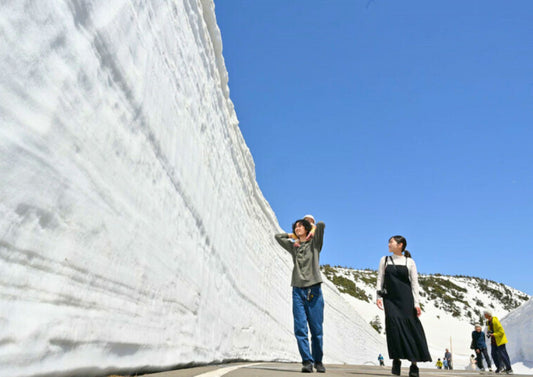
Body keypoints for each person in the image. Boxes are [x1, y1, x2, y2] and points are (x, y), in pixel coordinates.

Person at [275, 218, 326, 373]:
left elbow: (321, 225)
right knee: (300, 328)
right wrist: (294, 236)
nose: (297, 228)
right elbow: (278, 237)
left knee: (316, 330)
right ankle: (307, 361)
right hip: (297, 290)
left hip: (314, 290)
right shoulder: (294, 247)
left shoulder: (315, 244)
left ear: (307, 228)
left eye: (300, 226)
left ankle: (318, 361)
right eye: (295, 226)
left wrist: (312, 228)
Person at [376, 235, 431, 377]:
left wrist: (417, 303)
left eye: (391, 242)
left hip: (406, 301)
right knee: (393, 329)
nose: (388, 244)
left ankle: (414, 365)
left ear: (400, 245)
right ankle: (396, 359)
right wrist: (378, 297)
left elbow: (414, 284)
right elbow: (380, 279)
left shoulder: (409, 262)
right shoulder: (385, 260)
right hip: (390, 300)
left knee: (411, 329)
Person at [484, 310, 513, 374]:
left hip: (500, 341)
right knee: (493, 354)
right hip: (494, 341)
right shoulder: (489, 322)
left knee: (503, 355)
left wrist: (493, 334)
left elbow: (501, 332)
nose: (484, 315)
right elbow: (491, 330)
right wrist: (489, 333)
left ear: (488, 315)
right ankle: (499, 367)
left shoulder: (495, 321)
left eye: (485, 314)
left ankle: (509, 369)